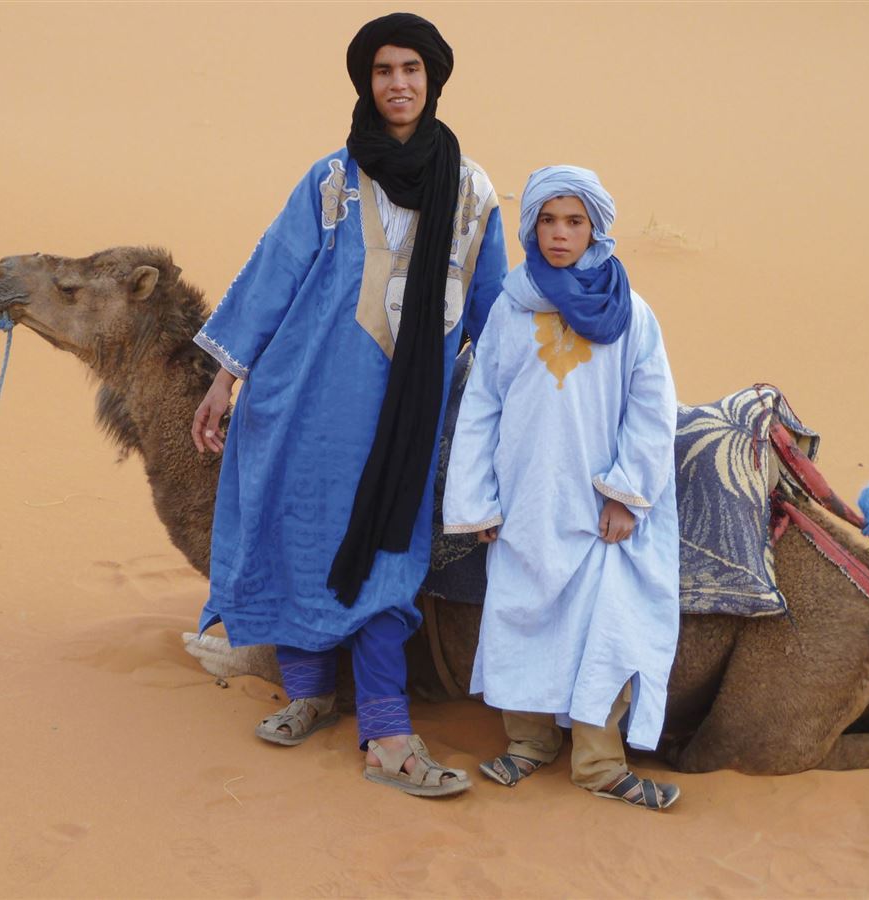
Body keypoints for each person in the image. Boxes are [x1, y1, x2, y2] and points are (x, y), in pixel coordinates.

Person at [189, 12, 507, 797]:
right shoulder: (332, 180)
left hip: (405, 419)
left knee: (389, 558)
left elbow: (497, 312)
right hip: (308, 402)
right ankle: (309, 692)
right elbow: (274, 272)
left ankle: (388, 733)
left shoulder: (473, 193)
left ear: (432, 80)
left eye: (410, 69)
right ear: (367, 82)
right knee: (301, 535)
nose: (398, 83)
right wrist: (225, 377)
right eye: (383, 70)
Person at [442, 165, 681, 810]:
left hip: (599, 508)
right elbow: (482, 405)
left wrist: (626, 494)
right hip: (525, 501)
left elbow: (652, 408)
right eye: (547, 220)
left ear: (595, 229)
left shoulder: (633, 314)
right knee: (521, 618)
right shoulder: (510, 308)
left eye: (574, 221)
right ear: (531, 228)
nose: (559, 234)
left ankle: (600, 764)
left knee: (606, 628)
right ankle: (530, 743)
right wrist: (477, 502)